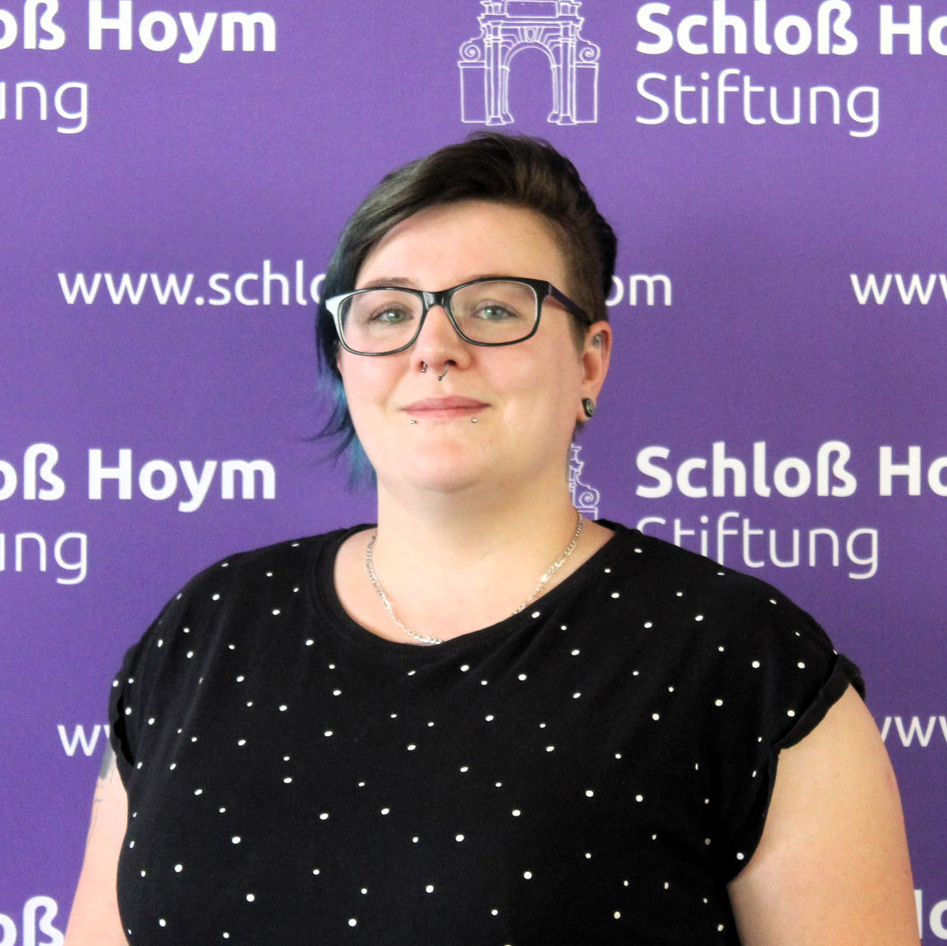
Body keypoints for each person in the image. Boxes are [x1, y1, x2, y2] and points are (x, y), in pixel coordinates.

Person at [65, 133, 918, 945]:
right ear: (345, 358)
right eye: (388, 311)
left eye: (494, 309)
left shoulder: (741, 661)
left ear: (588, 363)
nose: (433, 347)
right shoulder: (209, 627)